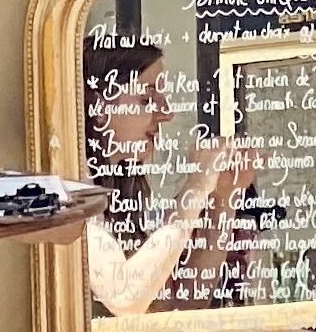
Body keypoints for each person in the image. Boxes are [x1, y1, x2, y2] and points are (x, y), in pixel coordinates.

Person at [84, 33, 260, 313]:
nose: (166, 112)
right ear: (97, 106)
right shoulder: (69, 188)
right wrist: (197, 187)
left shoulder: (120, 190)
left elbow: (178, 306)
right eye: (146, 98)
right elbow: (125, 297)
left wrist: (223, 199)